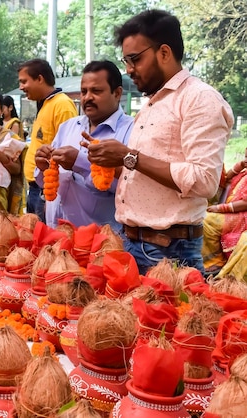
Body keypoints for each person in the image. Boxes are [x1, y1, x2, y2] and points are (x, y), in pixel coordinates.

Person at [85, 10, 234, 275]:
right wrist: (109, 161)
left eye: (135, 59)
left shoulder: (199, 99)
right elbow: (146, 175)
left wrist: (129, 157)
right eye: (126, 60)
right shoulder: (154, 102)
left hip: (167, 251)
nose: (129, 69)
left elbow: (204, 180)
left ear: (164, 53)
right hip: (134, 242)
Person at [35, 60, 134, 231]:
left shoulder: (131, 131)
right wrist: (43, 166)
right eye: (83, 91)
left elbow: (130, 189)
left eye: (96, 91)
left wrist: (80, 163)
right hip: (56, 236)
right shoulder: (68, 127)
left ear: (117, 93)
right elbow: (44, 182)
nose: (87, 97)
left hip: (99, 244)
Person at [18, 59, 78, 221]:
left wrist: (50, 197)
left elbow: (68, 153)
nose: (21, 87)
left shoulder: (62, 105)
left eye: (24, 81)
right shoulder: (46, 104)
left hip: (47, 191)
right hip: (35, 188)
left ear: (39, 78)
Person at [202, 150, 247, 277]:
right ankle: (211, 261)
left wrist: (221, 208)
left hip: (243, 216)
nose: (246, 160)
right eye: (246, 156)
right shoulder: (243, 172)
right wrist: (240, 166)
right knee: (202, 216)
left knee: (207, 220)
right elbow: (227, 177)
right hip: (235, 212)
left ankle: (215, 262)